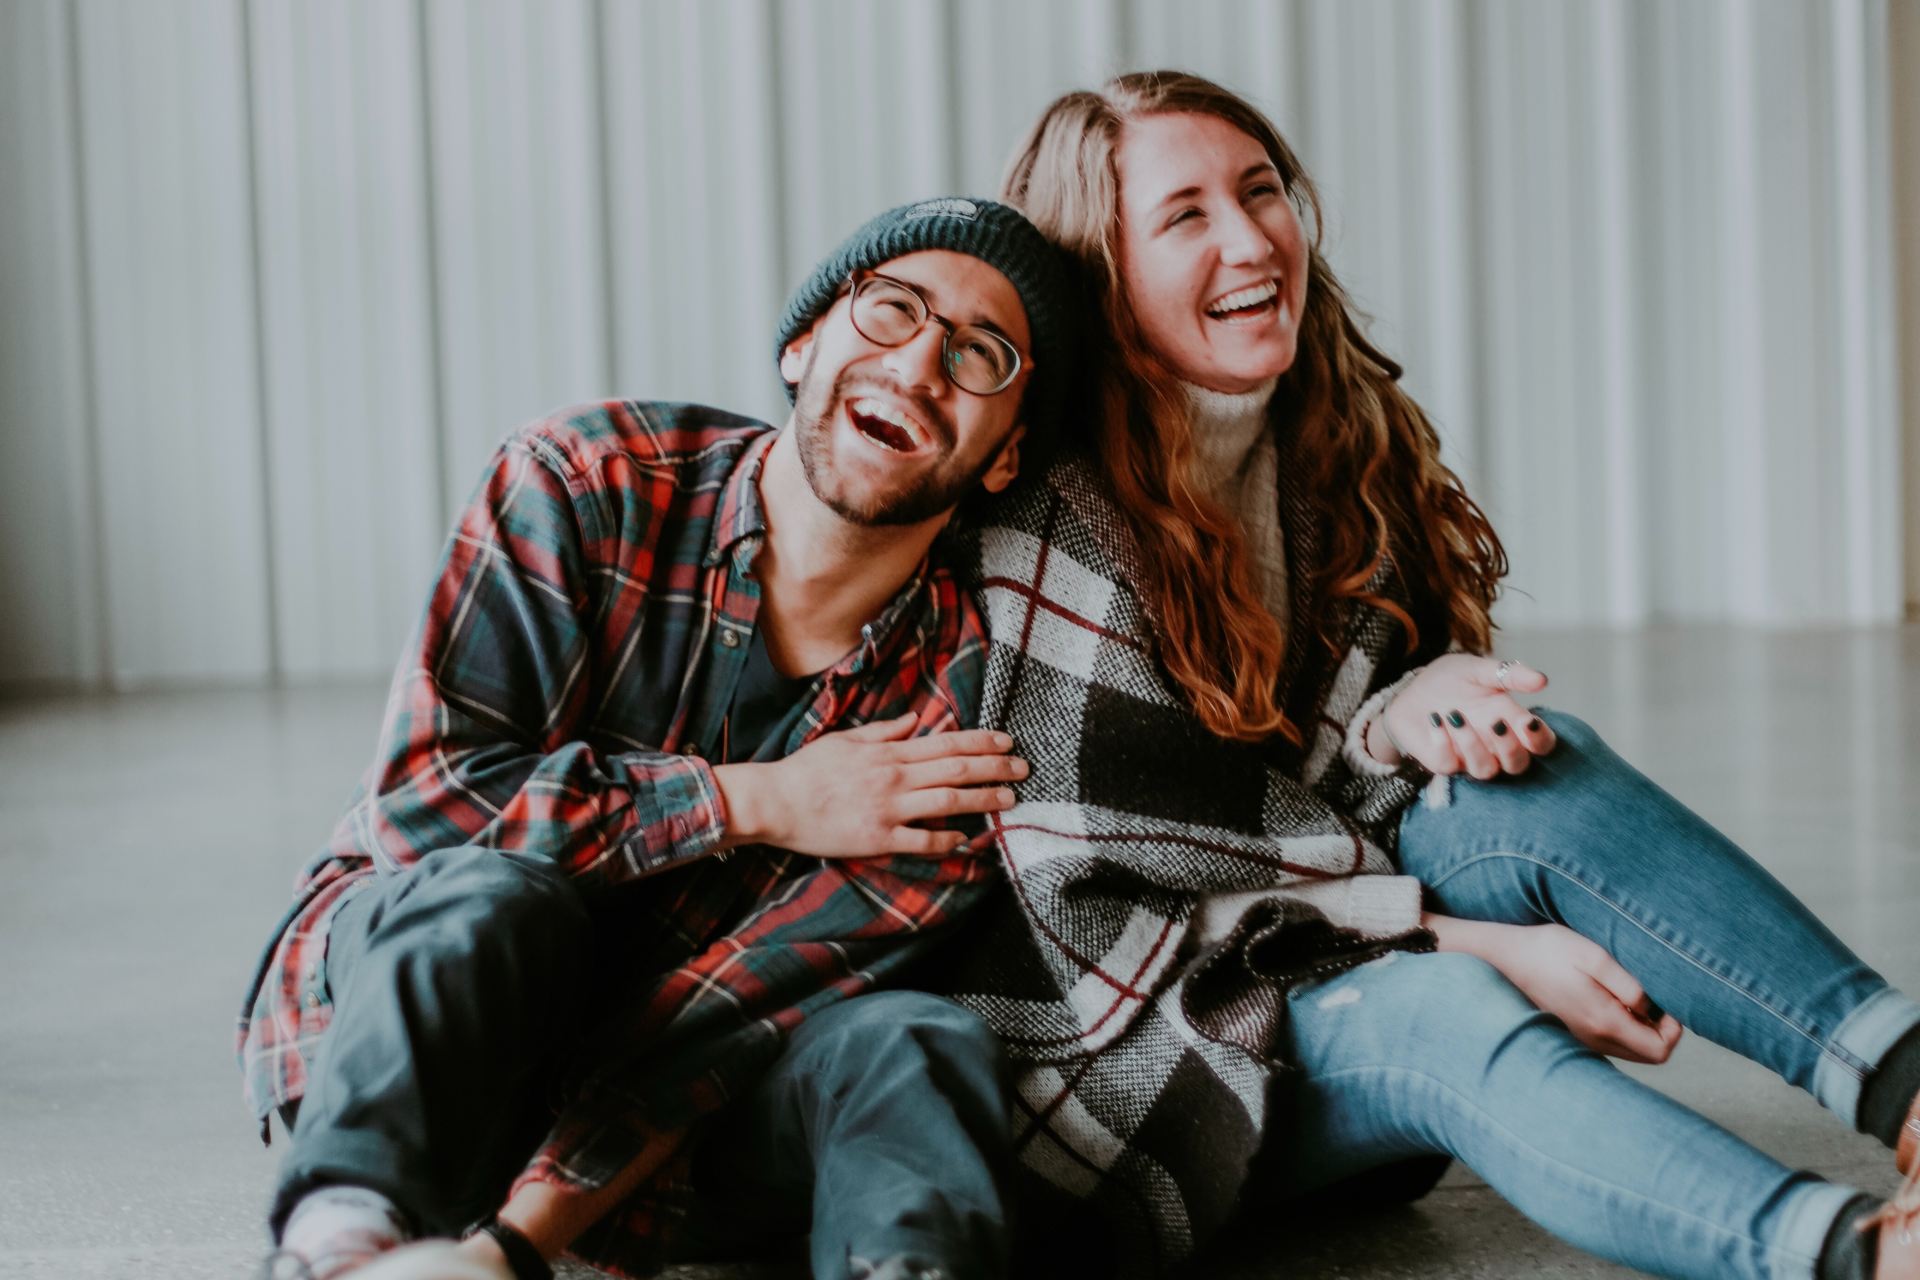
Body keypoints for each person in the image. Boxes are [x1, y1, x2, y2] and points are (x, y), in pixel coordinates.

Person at [944, 70, 1920, 1280]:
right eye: (1185, 215)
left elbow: (1291, 781)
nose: (1253, 237)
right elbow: (1122, 907)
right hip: (1131, 1067)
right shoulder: (1052, 528)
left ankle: (1908, 1080)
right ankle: (1862, 1257)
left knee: (1519, 772)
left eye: (1262, 190)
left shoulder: (1322, 437)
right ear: (1101, 269)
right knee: (1444, 1009)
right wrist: (1466, 946)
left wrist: (1402, 713)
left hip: (1298, 987)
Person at [238, 196, 1081, 1280]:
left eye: (981, 354)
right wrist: (755, 798)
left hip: (666, 1143)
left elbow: (728, 1023)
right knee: (496, 891)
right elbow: (428, 805)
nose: (919, 363)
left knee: (912, 1038)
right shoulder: (586, 480)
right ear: (802, 343)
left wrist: (506, 1253)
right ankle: (336, 1245)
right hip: (418, 1050)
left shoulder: (954, 715)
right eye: (892, 311)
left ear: (1006, 456)